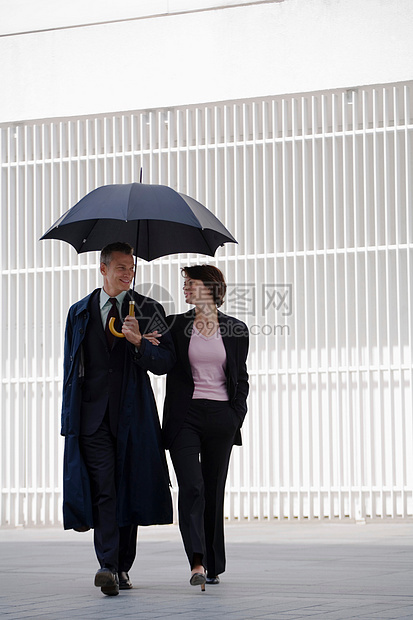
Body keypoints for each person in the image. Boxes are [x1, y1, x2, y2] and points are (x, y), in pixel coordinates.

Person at [61, 242, 175, 596]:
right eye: (122, 268)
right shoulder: (79, 313)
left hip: (133, 416)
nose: (128, 274)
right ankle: (108, 565)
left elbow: (166, 363)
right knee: (104, 489)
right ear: (103, 268)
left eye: (132, 269)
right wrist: (69, 418)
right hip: (92, 418)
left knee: (129, 487)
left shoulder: (147, 309)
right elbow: (69, 368)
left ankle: (123, 565)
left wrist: (140, 343)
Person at [163, 265, 249, 590]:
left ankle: (213, 565)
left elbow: (241, 379)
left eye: (191, 283)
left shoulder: (236, 329)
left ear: (210, 288)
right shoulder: (175, 325)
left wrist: (234, 417)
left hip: (221, 418)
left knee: (213, 491)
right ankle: (197, 561)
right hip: (184, 417)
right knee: (193, 487)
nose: (185, 288)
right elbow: (159, 362)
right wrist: (139, 342)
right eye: (184, 283)